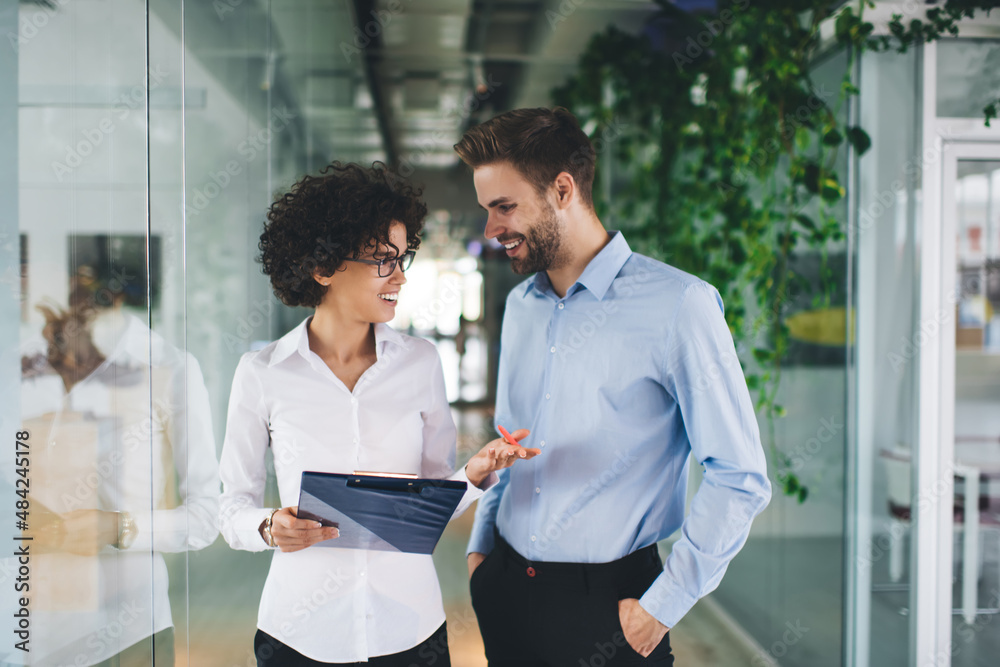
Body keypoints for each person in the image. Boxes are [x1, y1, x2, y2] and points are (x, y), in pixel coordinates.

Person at [456, 108, 772, 666]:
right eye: (487, 210)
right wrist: (483, 552)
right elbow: (510, 441)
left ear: (562, 190)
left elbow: (739, 477)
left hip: (613, 607)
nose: (492, 230)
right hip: (505, 587)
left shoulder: (680, 306)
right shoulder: (520, 306)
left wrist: (664, 605)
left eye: (504, 207)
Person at [218, 162, 539, 667]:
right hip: (300, 635)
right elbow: (231, 506)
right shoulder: (262, 373)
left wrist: (473, 476)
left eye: (402, 257)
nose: (401, 277)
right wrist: (267, 526)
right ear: (322, 267)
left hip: (409, 630)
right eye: (382, 262)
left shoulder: (421, 363)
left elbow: (432, 502)